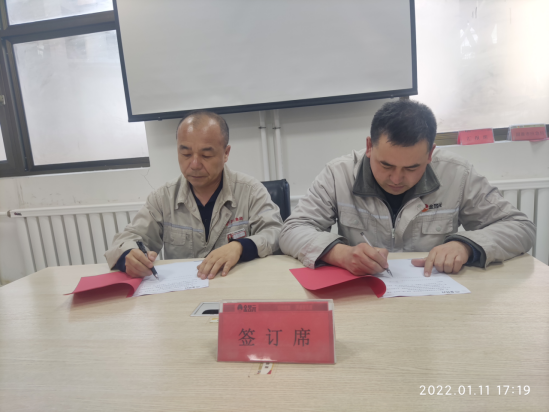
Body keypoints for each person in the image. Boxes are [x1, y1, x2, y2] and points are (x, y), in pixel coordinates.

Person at [280, 100, 535, 276]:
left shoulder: (458, 174)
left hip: (434, 297)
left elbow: (519, 227)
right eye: (386, 165)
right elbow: (293, 229)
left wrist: (465, 246)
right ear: (369, 147)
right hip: (364, 296)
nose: (396, 178)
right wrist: (340, 254)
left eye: (412, 167)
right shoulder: (339, 174)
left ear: (430, 154)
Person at [105, 111, 283, 279]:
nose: (195, 164)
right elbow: (127, 239)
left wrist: (240, 247)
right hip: (184, 292)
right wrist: (129, 255)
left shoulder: (250, 191)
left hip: (237, 286)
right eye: (186, 154)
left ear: (226, 153)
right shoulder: (163, 198)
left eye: (206, 155)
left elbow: (276, 232)